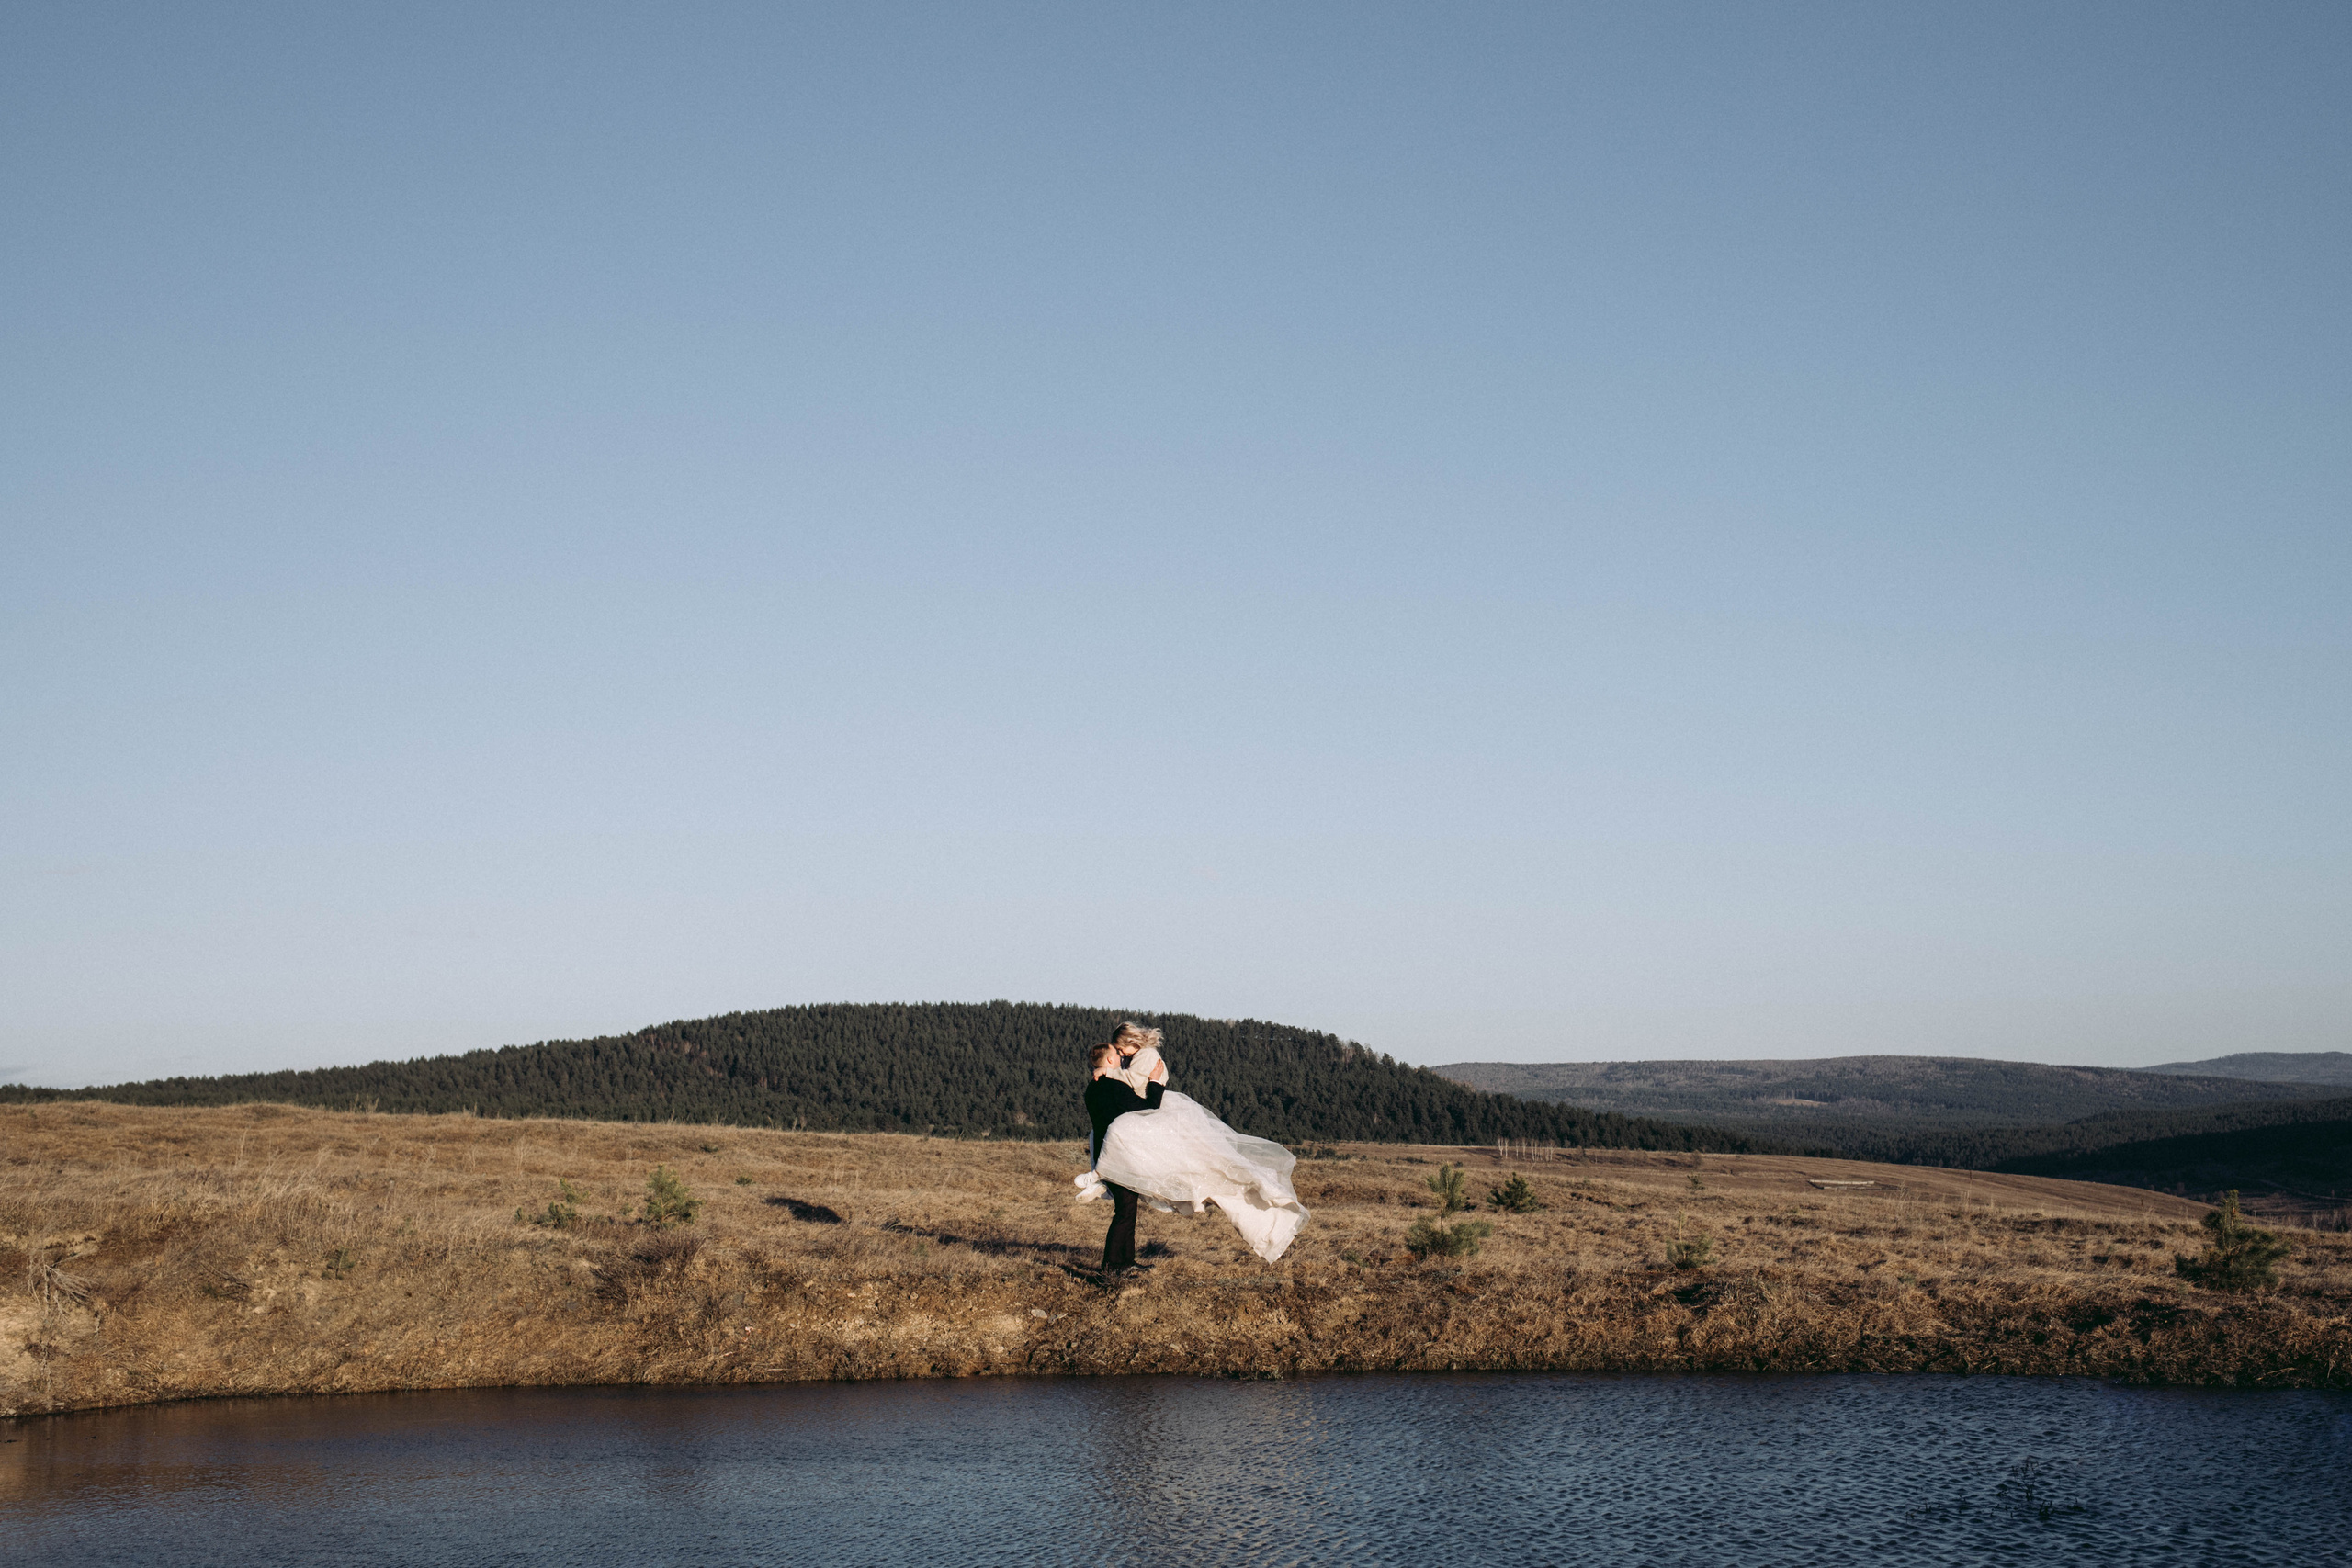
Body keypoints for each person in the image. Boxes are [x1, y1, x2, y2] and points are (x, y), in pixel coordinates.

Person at [1075, 1023, 1310, 1266]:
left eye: (1123, 1052)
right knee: (1125, 1212)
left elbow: (1125, 1096)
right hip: (1125, 1149)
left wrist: (1115, 1074)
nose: (1123, 1058)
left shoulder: (1098, 1084)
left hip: (1114, 1148)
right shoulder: (1114, 1081)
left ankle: (1123, 1258)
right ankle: (1112, 1267)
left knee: (1128, 1210)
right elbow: (1146, 1106)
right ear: (1112, 1058)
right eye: (1119, 1054)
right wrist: (1149, 1082)